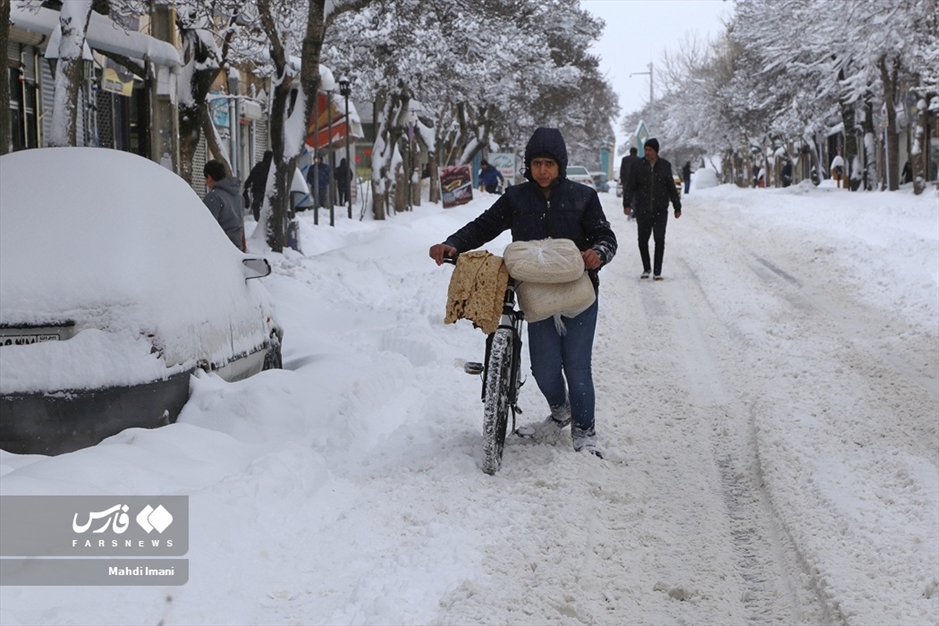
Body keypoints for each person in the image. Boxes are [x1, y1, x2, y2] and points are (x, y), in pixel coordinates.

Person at [429, 127, 617, 458]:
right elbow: (484, 226)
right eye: (536, 163)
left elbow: (606, 236)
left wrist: (597, 253)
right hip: (536, 296)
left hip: (578, 296)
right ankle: (561, 410)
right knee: (543, 368)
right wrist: (453, 243)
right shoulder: (516, 198)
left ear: (560, 165)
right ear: (527, 166)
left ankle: (585, 433)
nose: (542, 170)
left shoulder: (583, 197)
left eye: (549, 163)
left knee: (577, 366)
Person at [622, 138, 682, 281]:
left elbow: (671, 188)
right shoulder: (638, 166)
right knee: (642, 240)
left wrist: (677, 206)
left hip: (660, 209)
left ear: (656, 151)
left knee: (659, 239)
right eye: (646, 149)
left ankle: (657, 271)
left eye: (650, 150)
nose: (647, 152)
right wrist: (627, 204)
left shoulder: (665, 166)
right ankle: (646, 268)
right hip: (642, 209)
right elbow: (630, 186)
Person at [203, 160, 245, 251]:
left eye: (205, 179)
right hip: (237, 246)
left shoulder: (214, 197)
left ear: (209, 177)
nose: (206, 183)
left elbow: (207, 226)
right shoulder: (238, 196)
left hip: (220, 248)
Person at [243, 150, 273, 221]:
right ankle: (266, 219)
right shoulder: (272, 168)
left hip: (257, 190)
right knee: (267, 206)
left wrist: (247, 184)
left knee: (256, 205)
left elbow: (252, 176)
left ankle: (257, 220)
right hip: (268, 190)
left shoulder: (259, 166)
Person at [619, 147, 641, 221]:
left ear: (630, 152)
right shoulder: (639, 160)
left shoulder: (625, 159)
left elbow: (622, 170)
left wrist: (622, 179)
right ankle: (635, 211)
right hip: (636, 182)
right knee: (635, 197)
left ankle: (628, 209)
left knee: (627, 196)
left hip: (627, 181)